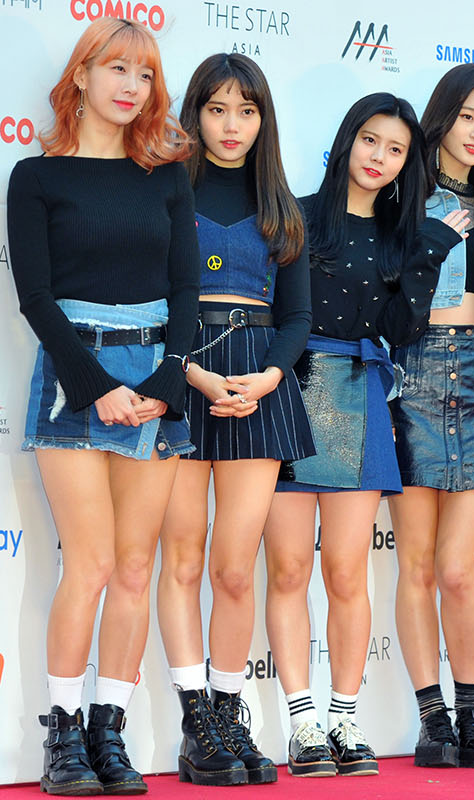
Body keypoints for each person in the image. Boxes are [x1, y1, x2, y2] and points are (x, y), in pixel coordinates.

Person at [6, 17, 196, 795]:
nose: (131, 86)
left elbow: (186, 289)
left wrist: (166, 380)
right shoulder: (36, 178)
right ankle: (62, 736)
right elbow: (35, 298)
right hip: (74, 375)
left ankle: (107, 732)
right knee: (86, 564)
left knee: (135, 565)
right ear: (81, 76)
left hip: (155, 378)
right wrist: (97, 385)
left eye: (145, 75)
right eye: (116, 68)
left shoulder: (167, 178)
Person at [261, 92, 468, 778]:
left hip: (361, 390)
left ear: (409, 163)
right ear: (347, 139)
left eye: (396, 149)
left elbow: (403, 330)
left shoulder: (406, 237)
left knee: (347, 571)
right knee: (289, 569)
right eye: (370, 140)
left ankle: (345, 718)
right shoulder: (293, 215)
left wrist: (429, 255)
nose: (379, 157)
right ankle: (302, 723)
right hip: (290, 391)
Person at [155, 53, 313, 788]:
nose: (231, 125)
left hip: (259, 380)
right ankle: (196, 724)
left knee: (234, 569)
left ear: (263, 120)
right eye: (217, 109)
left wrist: (270, 376)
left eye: (246, 111)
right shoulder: (166, 191)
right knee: (183, 560)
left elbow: (297, 315)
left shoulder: (282, 205)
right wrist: (190, 372)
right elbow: (154, 298)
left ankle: (228, 711)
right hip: (182, 375)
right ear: (194, 113)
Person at [388, 63, 474, 770]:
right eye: (468, 116)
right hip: (411, 372)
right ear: (442, 117)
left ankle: (471, 713)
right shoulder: (401, 196)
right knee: (415, 565)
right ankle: (432, 718)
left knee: (457, 569)